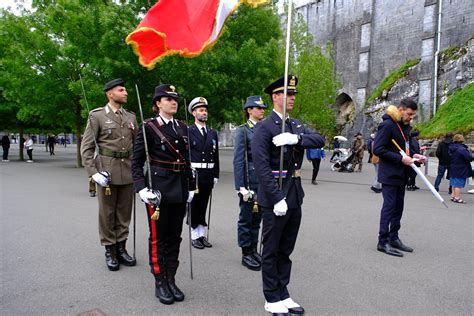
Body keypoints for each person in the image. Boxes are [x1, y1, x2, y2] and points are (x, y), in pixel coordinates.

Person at [253, 75, 325, 315]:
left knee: (286, 249)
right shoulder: (264, 127)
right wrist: (276, 198)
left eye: (294, 94)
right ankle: (271, 296)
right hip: (275, 196)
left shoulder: (294, 125)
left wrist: (297, 138)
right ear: (275, 97)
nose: (293, 98)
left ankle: (283, 292)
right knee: (271, 249)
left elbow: (320, 139)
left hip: (294, 193)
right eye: (288, 94)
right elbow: (262, 167)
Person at [132, 84, 196, 305]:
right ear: (158, 103)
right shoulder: (149, 127)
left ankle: (171, 278)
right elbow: (136, 161)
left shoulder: (182, 127)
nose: (173, 101)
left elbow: (187, 160)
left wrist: (191, 186)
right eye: (168, 98)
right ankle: (160, 281)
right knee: (158, 238)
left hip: (179, 188)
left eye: (175, 98)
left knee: (175, 237)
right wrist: (141, 188)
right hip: (158, 190)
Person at [80, 78, 138, 271]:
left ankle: (122, 247)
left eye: (126, 89)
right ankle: (110, 250)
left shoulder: (131, 117)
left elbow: (137, 147)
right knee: (107, 213)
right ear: (110, 94)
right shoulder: (96, 116)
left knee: (124, 213)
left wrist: (139, 171)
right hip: (107, 172)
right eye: (122, 90)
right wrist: (93, 173)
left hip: (128, 171)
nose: (126, 92)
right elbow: (86, 148)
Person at [373, 99, 426, 257]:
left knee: (398, 208)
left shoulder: (404, 127)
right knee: (389, 208)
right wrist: (400, 159)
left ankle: (394, 237)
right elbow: (378, 149)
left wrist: (414, 156)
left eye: (413, 115)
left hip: (401, 174)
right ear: (401, 110)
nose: (411, 117)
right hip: (390, 174)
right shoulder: (388, 125)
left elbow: (404, 150)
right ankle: (382, 241)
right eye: (409, 114)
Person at [233, 95, 267, 271]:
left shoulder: (265, 129)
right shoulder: (242, 131)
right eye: (258, 108)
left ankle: (254, 249)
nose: (262, 110)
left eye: (263, 108)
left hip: (263, 181)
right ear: (249, 110)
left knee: (258, 218)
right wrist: (241, 186)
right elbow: (239, 160)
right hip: (249, 180)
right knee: (246, 218)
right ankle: (246, 253)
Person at [187, 97, 219, 250]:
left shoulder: (212, 132)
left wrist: (216, 174)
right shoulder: (188, 131)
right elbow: (186, 156)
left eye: (205, 110)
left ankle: (201, 234)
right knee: (194, 205)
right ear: (194, 113)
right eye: (200, 110)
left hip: (208, 173)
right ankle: (194, 235)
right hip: (195, 173)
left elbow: (216, 155)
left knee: (204, 204)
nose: (204, 112)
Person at [448, 134, 473, 204]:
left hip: (453, 167)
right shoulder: (461, 149)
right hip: (461, 168)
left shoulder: (451, 147)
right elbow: (469, 158)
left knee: (454, 183)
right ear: (462, 139)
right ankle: (457, 198)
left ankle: (453, 196)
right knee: (458, 184)